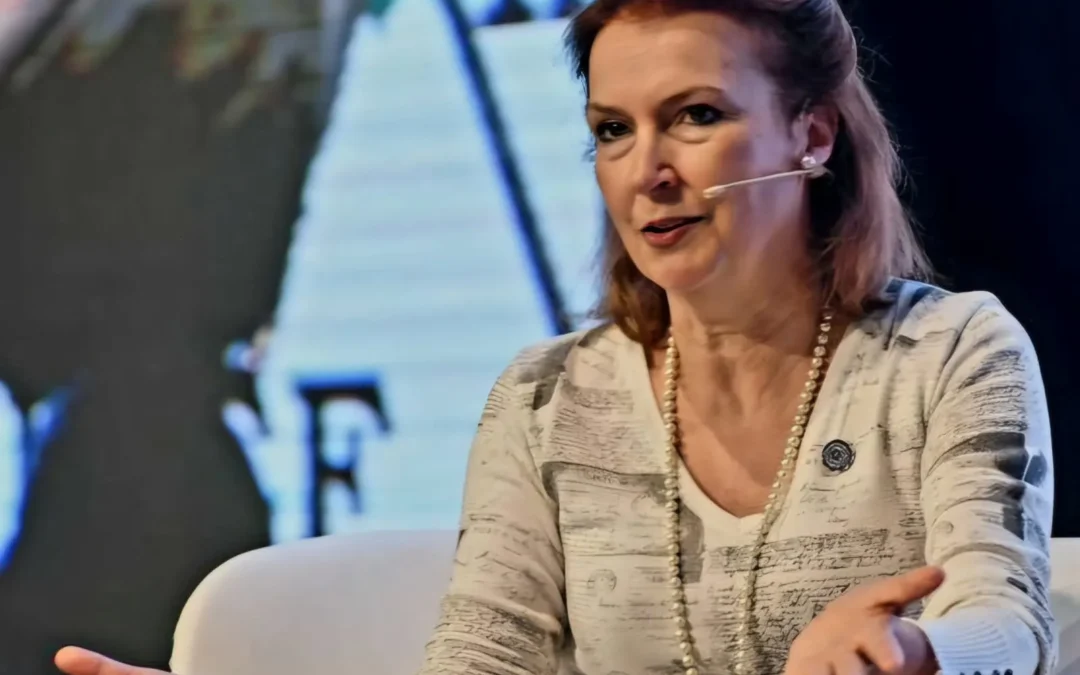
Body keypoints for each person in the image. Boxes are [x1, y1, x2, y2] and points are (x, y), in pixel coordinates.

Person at [53, 0, 1056, 674]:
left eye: (694, 116)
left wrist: (917, 652)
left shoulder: (950, 352)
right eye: (613, 129)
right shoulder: (546, 397)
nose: (646, 171)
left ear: (813, 134)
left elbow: (1007, 618)